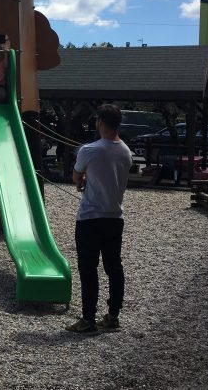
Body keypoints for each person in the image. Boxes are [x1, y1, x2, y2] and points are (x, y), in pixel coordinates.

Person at [65, 104, 133, 333]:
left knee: (88, 268)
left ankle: (88, 319)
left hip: (90, 217)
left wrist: (81, 181)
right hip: (115, 216)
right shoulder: (126, 151)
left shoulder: (89, 150)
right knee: (114, 267)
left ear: (101, 122)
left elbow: (76, 175)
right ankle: (113, 315)